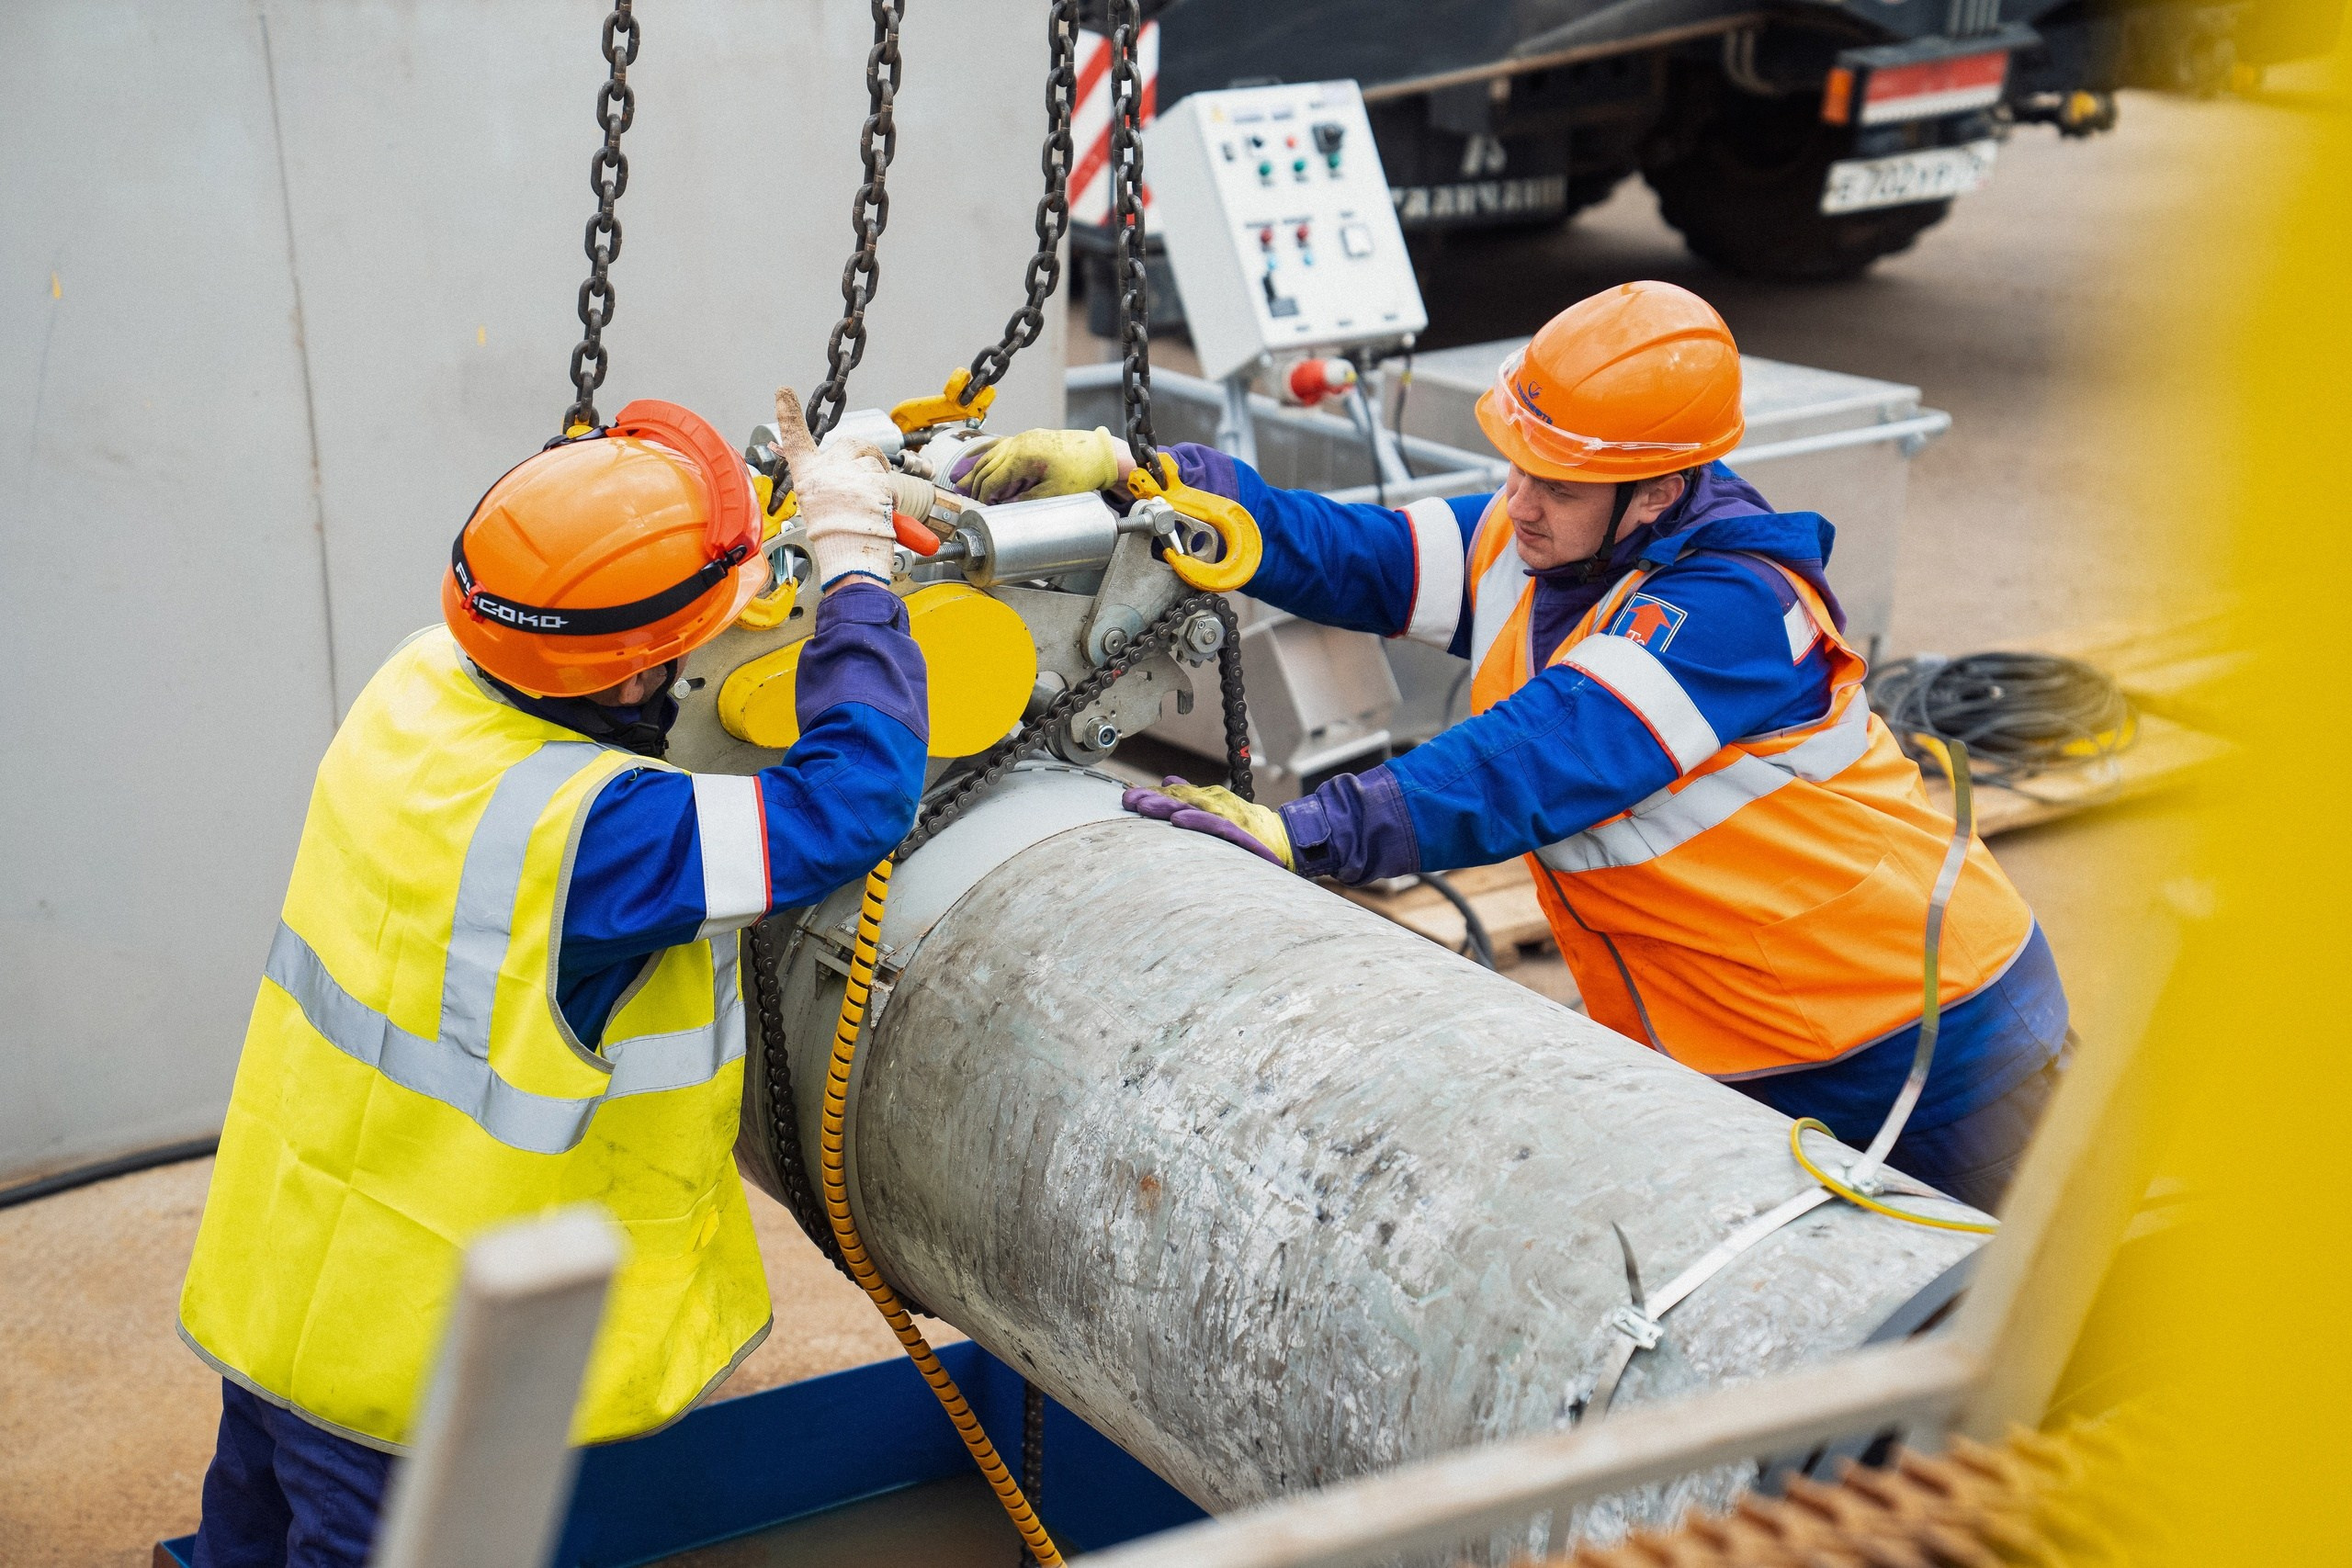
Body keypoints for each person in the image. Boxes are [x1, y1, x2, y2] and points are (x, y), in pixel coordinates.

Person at [953, 281, 2068, 1213]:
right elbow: (1357, 556)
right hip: (1735, 1049)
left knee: (2006, 1348)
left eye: (1558, 484)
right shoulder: (1540, 545)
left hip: (1929, 1043)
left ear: (1661, 490)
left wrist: (1306, 833)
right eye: (1517, 467)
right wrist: (1142, 477)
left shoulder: (1728, 609)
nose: (1518, 504)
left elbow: (1539, 759)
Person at [175, 392, 923, 1566]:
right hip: (422, 1355)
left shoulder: (422, 680)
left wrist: (740, 516)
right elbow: (852, 804)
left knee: (249, 1530)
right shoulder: (598, 834)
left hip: (295, 1266)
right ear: (631, 679)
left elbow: (597, 590)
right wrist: (856, 576)